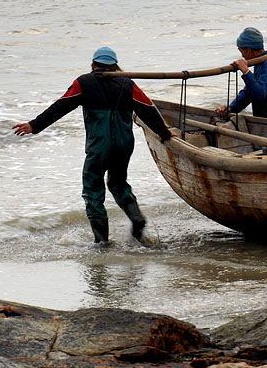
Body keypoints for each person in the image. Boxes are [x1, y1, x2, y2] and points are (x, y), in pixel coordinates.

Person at [12, 46, 173, 244]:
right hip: (124, 145)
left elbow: (61, 106)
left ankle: (102, 242)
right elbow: (148, 109)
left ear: (93, 64)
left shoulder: (84, 83)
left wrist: (34, 125)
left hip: (99, 145)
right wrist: (165, 134)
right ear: (115, 65)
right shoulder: (128, 84)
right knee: (118, 183)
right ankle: (136, 217)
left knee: (92, 189)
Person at [216, 27, 267, 120]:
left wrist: (246, 72)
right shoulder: (260, 64)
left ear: (249, 50)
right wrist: (231, 108)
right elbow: (248, 92)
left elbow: (259, 94)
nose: (242, 56)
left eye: (242, 51)